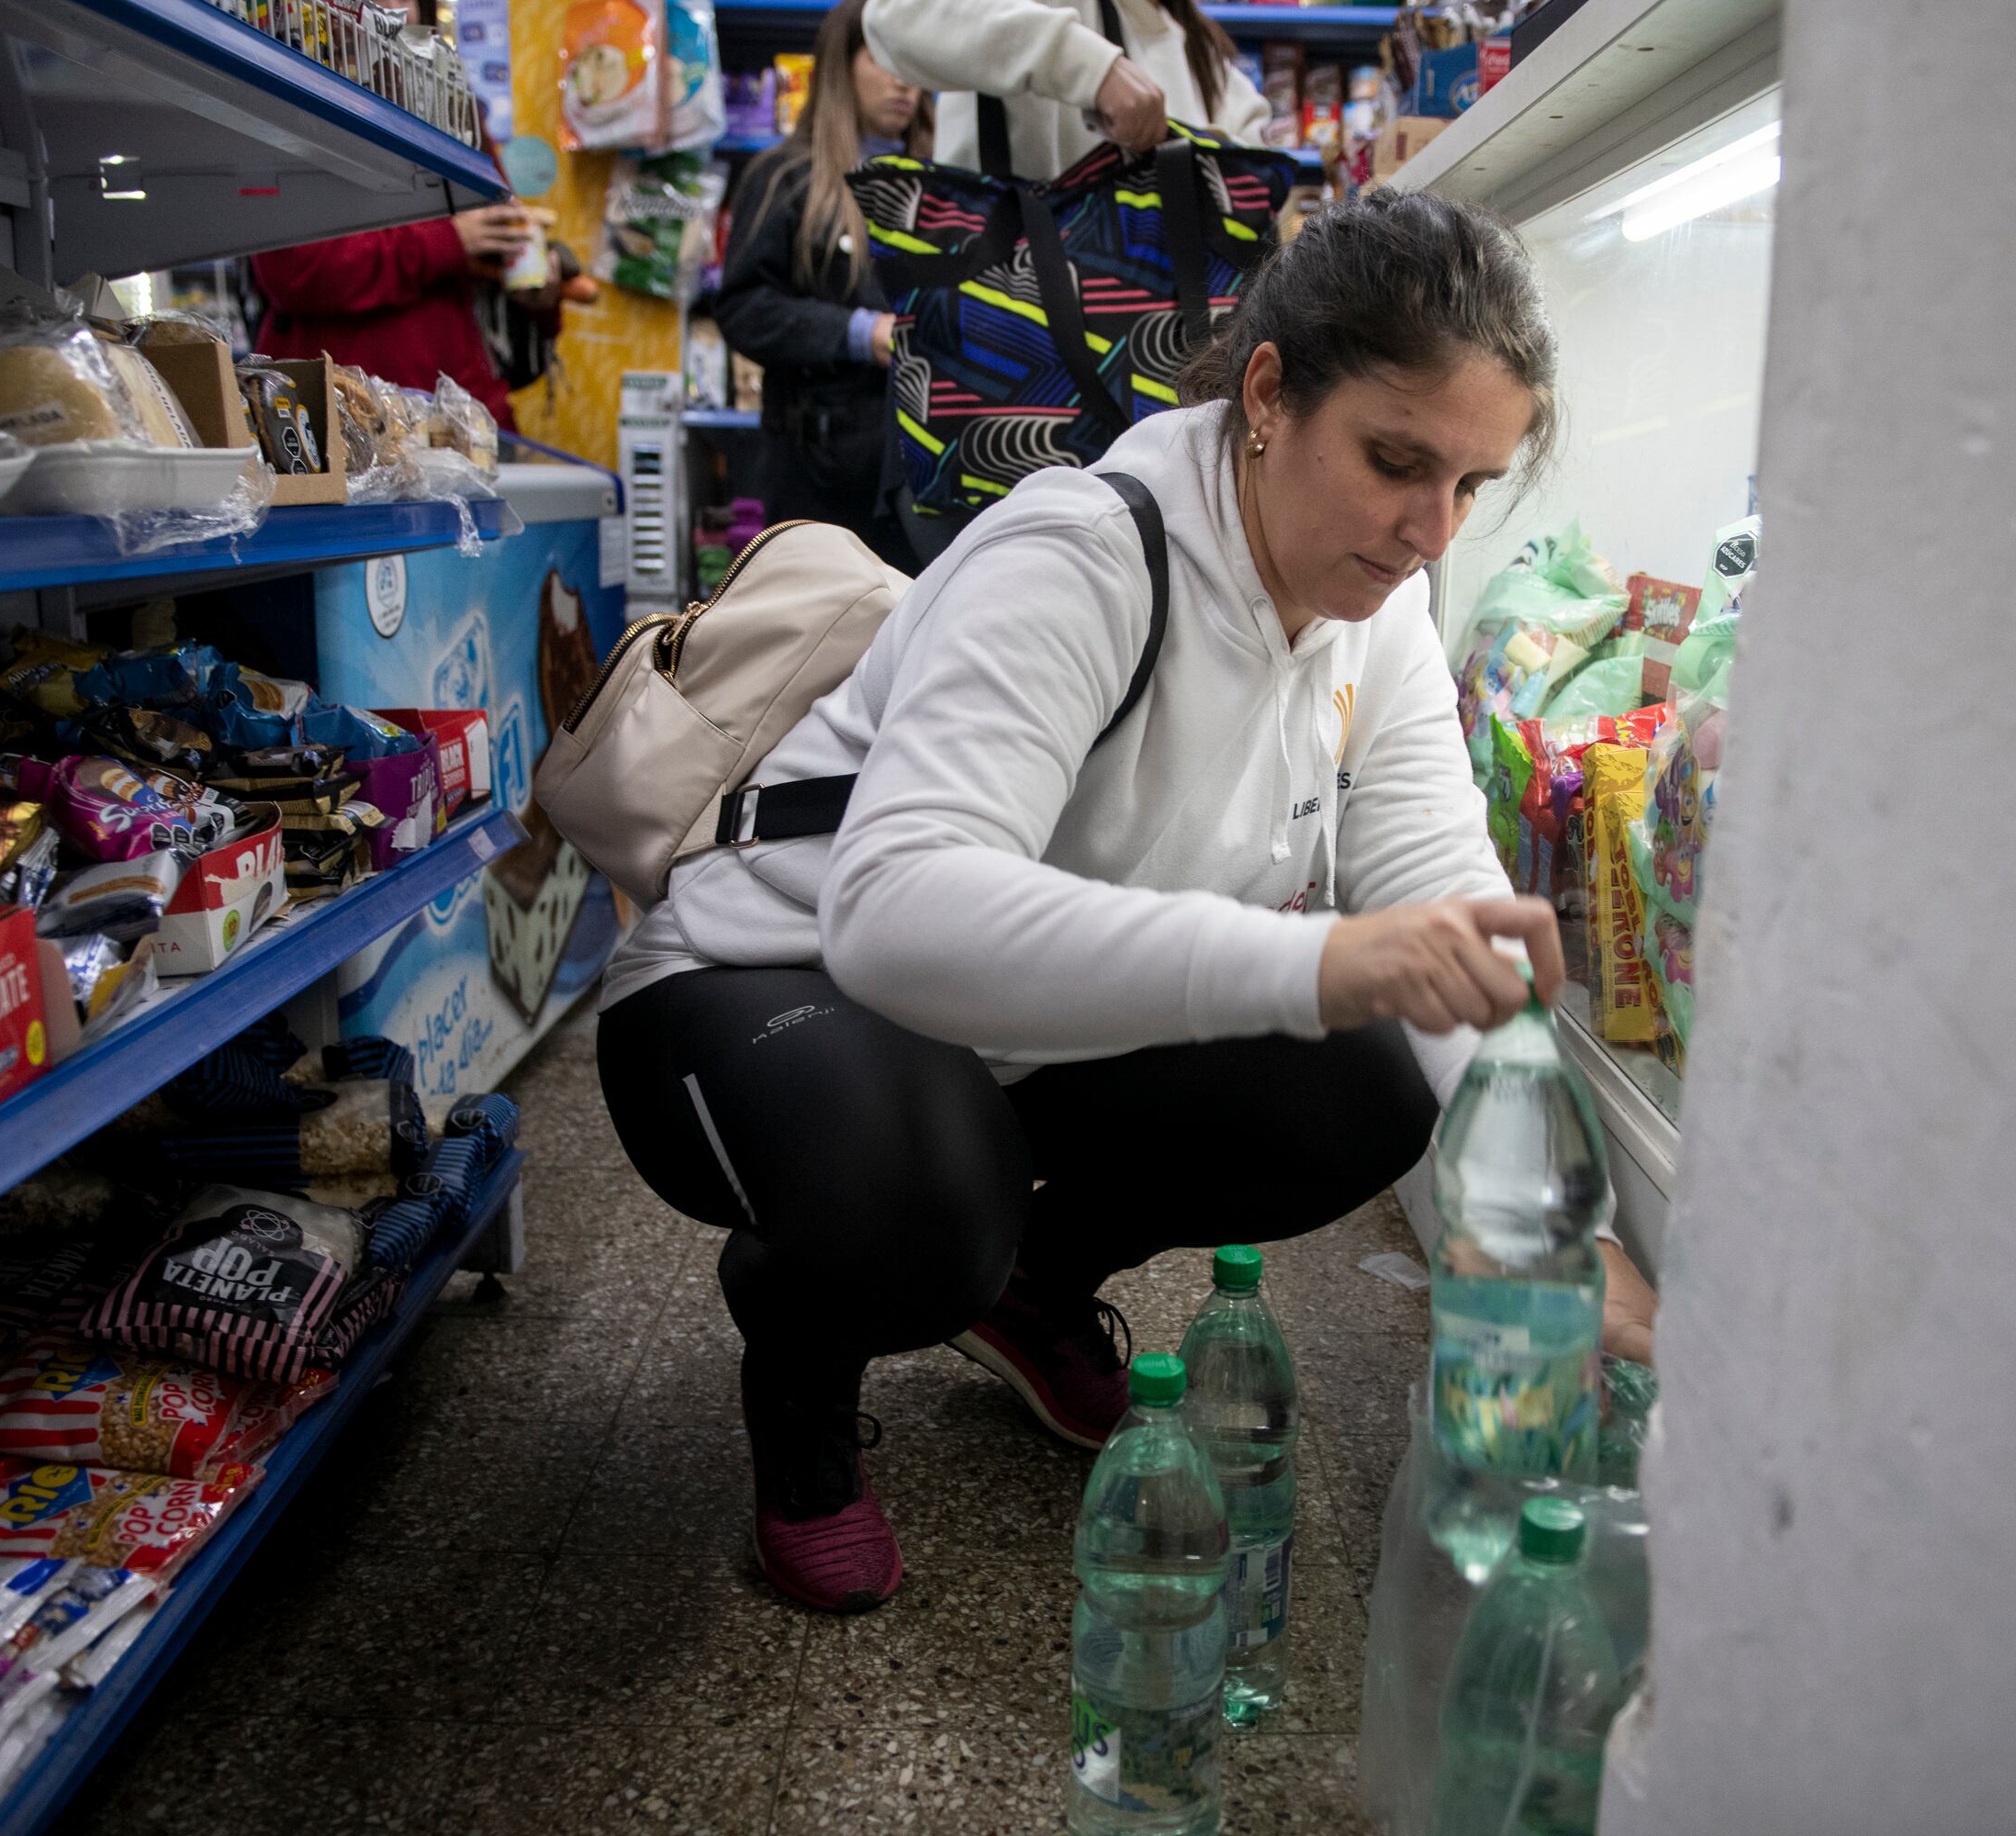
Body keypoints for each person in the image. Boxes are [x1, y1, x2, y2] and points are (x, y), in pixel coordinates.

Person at [592, 189, 1663, 1615]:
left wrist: (1554, 1229)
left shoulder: (1378, 603)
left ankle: (1029, 1287)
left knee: (1371, 1089)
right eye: (1398, 461)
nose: (1429, 529)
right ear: (1269, 397)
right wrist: (1314, 964)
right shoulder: (1087, 553)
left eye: (1473, 485)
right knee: (917, 1194)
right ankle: (805, 1380)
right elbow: (896, 916)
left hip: (998, 1020)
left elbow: (1438, 892)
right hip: (760, 982)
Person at [711, 1, 931, 571]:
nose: (904, 81)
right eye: (884, 60)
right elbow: (743, 307)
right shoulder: (787, 177)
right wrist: (859, 333)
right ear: (842, 63)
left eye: (913, 62)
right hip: (818, 473)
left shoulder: (942, 186)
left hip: (922, 472)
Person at [863, 0, 1269, 177]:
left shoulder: (1195, 42)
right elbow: (896, 15)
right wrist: (1084, 65)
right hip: (1021, 308)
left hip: (1156, 336)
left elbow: (1255, 160)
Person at [250, 204, 551, 430]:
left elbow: (500, 231)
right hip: (353, 427)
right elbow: (293, 269)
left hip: (469, 420)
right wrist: (444, 240)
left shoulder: (468, 130)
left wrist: (537, 296)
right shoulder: (315, 128)